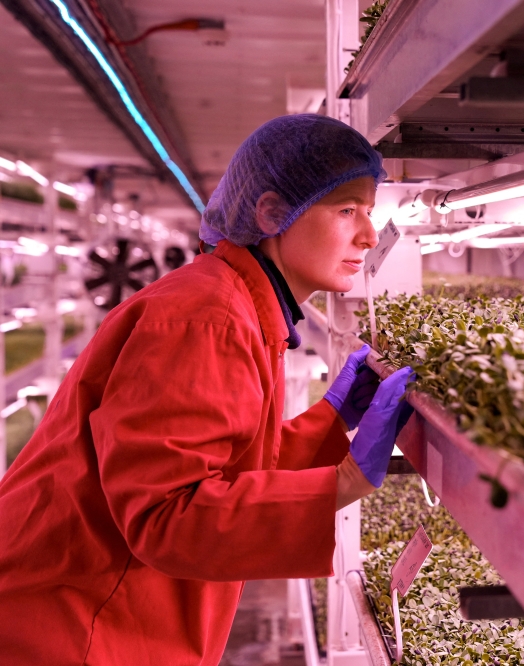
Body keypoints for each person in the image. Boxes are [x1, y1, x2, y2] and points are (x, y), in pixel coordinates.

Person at [0, 114, 413, 664]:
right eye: (346, 210)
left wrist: (330, 422)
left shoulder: (235, 305)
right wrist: (343, 481)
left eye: (369, 211)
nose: (367, 233)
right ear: (272, 213)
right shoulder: (207, 318)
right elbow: (167, 516)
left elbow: (225, 465)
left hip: (92, 616)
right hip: (72, 630)